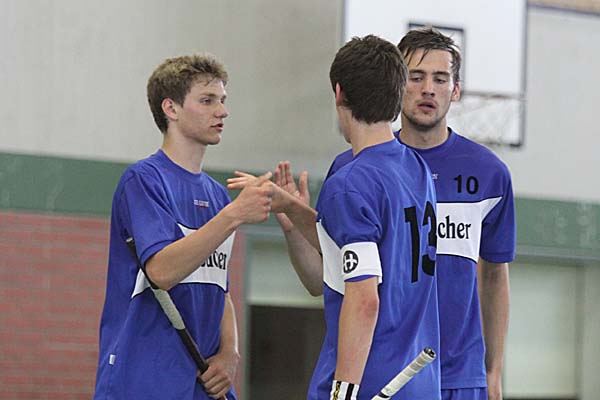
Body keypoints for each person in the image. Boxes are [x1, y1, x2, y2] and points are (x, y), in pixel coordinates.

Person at [269, 27, 516, 400]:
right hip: (406, 376)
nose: (428, 89)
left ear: (456, 89)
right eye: (416, 77)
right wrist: (296, 219)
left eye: (440, 78)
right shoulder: (401, 170)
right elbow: (330, 276)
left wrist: (493, 371)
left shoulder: (481, 173)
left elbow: (365, 296)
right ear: (397, 84)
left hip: (423, 374)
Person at [230, 34, 441, 400]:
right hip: (418, 385)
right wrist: (292, 208)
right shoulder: (416, 169)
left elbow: (365, 298)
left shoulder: (351, 183)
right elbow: (364, 252)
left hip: (368, 383)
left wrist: (343, 392)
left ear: (339, 93)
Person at [93, 54, 273, 400]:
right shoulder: (143, 180)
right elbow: (161, 271)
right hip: (144, 382)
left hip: (203, 384)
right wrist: (235, 215)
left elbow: (219, 289)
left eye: (222, 100)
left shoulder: (217, 196)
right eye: (207, 101)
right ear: (171, 108)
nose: (222, 111)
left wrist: (230, 353)